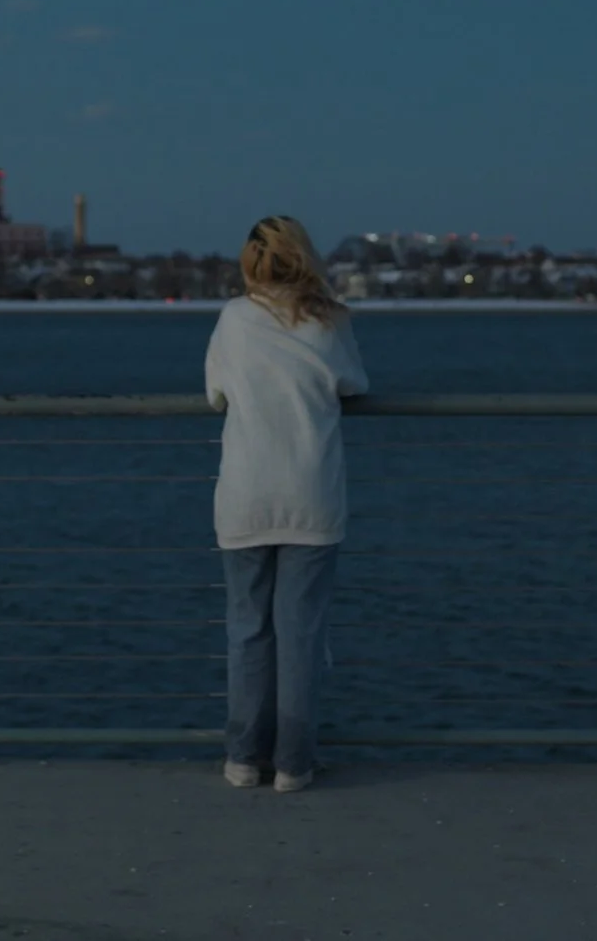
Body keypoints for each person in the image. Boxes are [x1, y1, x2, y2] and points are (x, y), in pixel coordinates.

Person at [203, 215, 368, 793]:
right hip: (310, 494)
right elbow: (354, 384)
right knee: (301, 635)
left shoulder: (233, 320)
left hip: (246, 494)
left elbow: (215, 393)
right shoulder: (330, 320)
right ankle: (294, 764)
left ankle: (243, 758)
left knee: (248, 630)